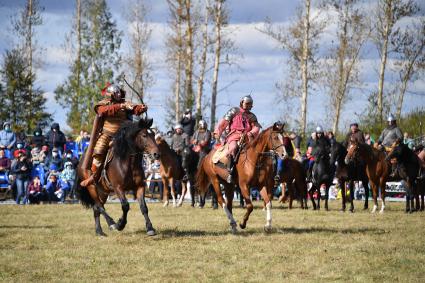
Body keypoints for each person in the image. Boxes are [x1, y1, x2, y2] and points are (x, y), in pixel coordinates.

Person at [80, 83, 148, 187]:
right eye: (116, 93)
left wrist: (140, 108)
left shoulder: (125, 103)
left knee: (136, 148)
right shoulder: (103, 104)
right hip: (107, 135)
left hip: (122, 136)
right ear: (111, 94)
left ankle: (137, 174)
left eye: (119, 92)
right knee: (99, 152)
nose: (119, 94)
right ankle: (93, 177)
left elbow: (134, 109)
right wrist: (120, 106)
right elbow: (102, 111)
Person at [214, 95, 261, 183]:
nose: (248, 105)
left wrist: (250, 133)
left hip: (247, 138)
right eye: (246, 103)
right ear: (242, 103)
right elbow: (223, 122)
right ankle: (230, 172)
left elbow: (256, 127)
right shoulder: (234, 111)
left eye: (250, 104)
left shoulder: (252, 116)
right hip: (234, 136)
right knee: (234, 148)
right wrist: (218, 133)